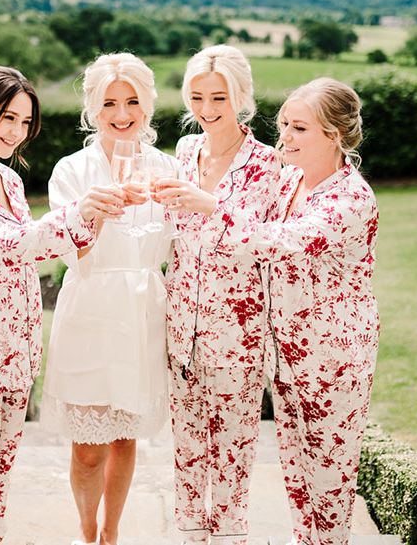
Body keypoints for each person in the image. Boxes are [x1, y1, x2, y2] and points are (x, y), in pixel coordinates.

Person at [156, 77, 379, 545]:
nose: (285, 137)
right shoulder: (291, 180)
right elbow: (245, 229)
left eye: (299, 128)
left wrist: (210, 205)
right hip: (284, 356)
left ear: (333, 136)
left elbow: (280, 242)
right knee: (297, 479)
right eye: (283, 125)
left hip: (332, 362)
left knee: (329, 482)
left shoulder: (351, 199)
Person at [0, 65, 126, 545]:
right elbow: (4, 243)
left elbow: (37, 248)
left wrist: (93, 218)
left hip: (14, 360)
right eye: (6, 118)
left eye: (25, 122)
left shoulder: (9, 183)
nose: (16, 132)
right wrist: (79, 212)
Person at [40, 53, 176, 545]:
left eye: (132, 101)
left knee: (124, 436)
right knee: (89, 448)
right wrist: (95, 212)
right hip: (89, 312)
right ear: (92, 108)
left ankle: (112, 533)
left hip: (143, 314)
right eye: (110, 103)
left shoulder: (168, 168)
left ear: (148, 105)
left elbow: (181, 244)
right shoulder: (71, 170)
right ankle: (85, 529)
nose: (122, 113)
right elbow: (63, 247)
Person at [148, 45, 280, 545]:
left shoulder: (269, 165)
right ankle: (188, 531)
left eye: (218, 96)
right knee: (185, 446)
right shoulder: (183, 153)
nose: (206, 108)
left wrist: (212, 206)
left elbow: (271, 242)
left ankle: (229, 536)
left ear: (242, 96)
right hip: (181, 327)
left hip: (239, 331)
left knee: (233, 447)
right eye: (197, 96)